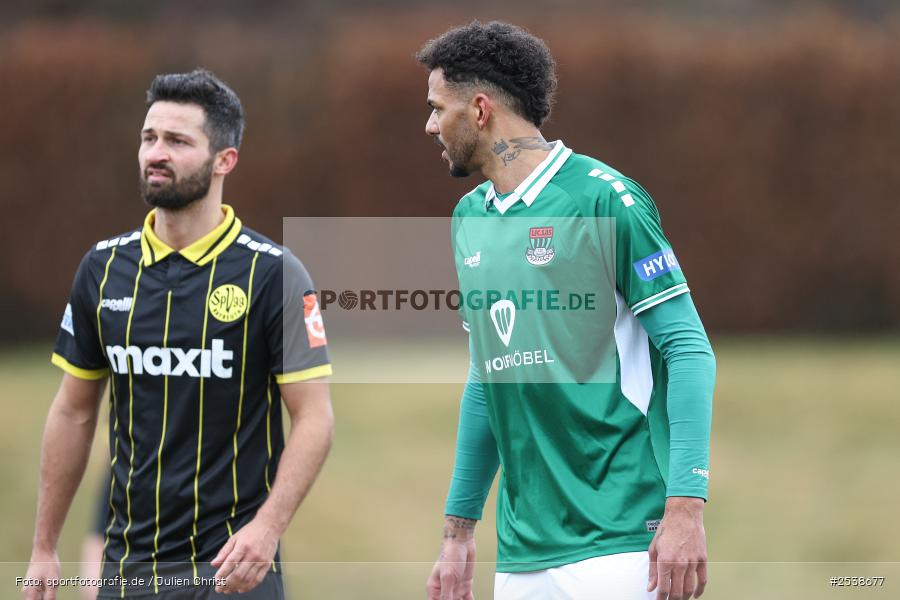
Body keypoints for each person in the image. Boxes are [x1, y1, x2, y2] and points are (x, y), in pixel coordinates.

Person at [418, 22, 716, 600]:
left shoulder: (606, 200)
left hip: (624, 538)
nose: (430, 124)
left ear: (479, 110)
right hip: (523, 550)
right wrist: (459, 531)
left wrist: (685, 506)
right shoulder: (469, 218)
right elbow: (488, 373)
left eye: (437, 108)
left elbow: (688, 349)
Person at [23, 69, 334, 600]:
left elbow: (313, 416)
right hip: (129, 571)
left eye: (177, 141)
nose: (155, 153)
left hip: (234, 571)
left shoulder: (275, 274)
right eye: (149, 138)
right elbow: (74, 411)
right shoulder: (102, 269)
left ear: (224, 161)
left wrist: (268, 528)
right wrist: (44, 547)